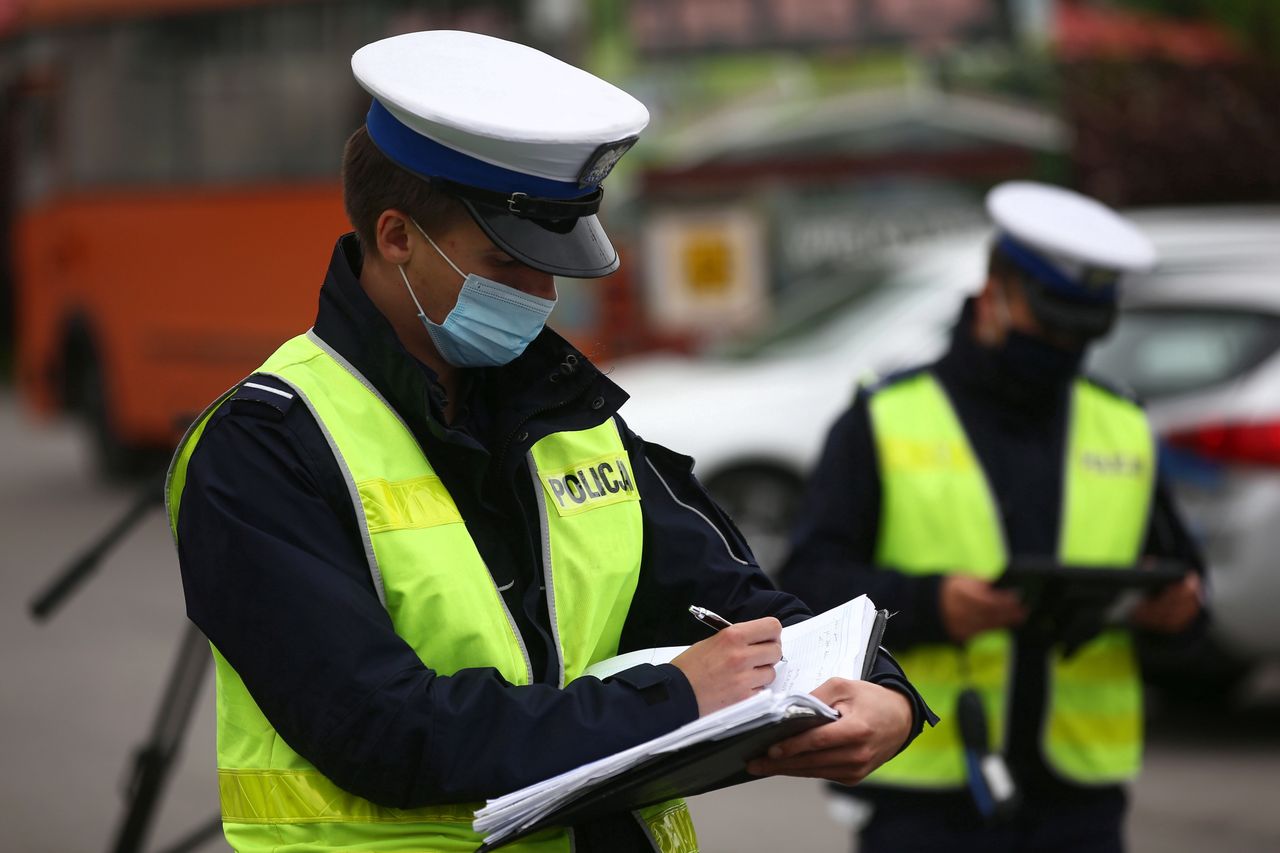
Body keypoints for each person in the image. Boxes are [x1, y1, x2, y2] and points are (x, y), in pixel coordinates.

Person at [165, 30, 930, 853]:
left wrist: (883, 693)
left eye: (552, 266)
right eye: (506, 262)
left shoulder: (571, 413)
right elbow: (379, 728)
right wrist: (670, 699)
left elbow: (738, 600)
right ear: (396, 237)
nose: (541, 295)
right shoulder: (263, 444)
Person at [779, 182, 1206, 853]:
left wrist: (1176, 612)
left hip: (1080, 800)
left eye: (1083, 331)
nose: (1065, 345)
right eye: (1050, 324)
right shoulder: (883, 417)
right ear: (994, 289)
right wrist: (931, 604)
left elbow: (1183, 587)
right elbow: (808, 584)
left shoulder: (1121, 423)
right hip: (925, 796)